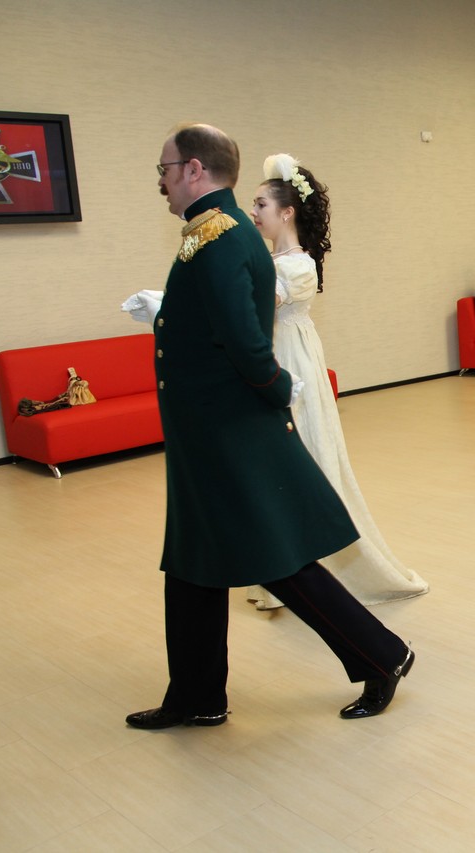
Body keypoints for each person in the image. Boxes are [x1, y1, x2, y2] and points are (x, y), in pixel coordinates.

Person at [126, 123, 413, 731]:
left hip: (227, 431)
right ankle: (197, 695)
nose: (161, 182)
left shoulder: (223, 237)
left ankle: (381, 654)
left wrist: (280, 390)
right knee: (195, 561)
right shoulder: (213, 232)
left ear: (195, 170)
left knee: (276, 558)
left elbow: (246, 342)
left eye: (165, 170)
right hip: (207, 431)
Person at [242, 154, 428, 611]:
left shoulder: (298, 266)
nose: (253, 212)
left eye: (261, 204)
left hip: (291, 357)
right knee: (273, 464)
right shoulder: (269, 258)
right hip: (270, 351)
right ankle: (281, 571)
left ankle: (319, 571)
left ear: (287, 211)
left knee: (306, 455)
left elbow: (256, 303)